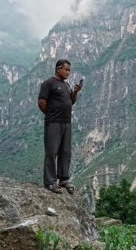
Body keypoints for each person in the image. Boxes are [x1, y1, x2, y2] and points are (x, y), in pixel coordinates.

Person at [38, 59, 83, 194]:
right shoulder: (48, 83)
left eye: (69, 70)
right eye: (66, 70)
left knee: (65, 152)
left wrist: (75, 92)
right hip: (53, 122)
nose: (68, 72)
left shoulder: (66, 85)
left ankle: (63, 179)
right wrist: (51, 114)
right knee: (52, 151)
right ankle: (50, 182)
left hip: (66, 122)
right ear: (58, 69)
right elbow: (41, 102)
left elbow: (71, 101)